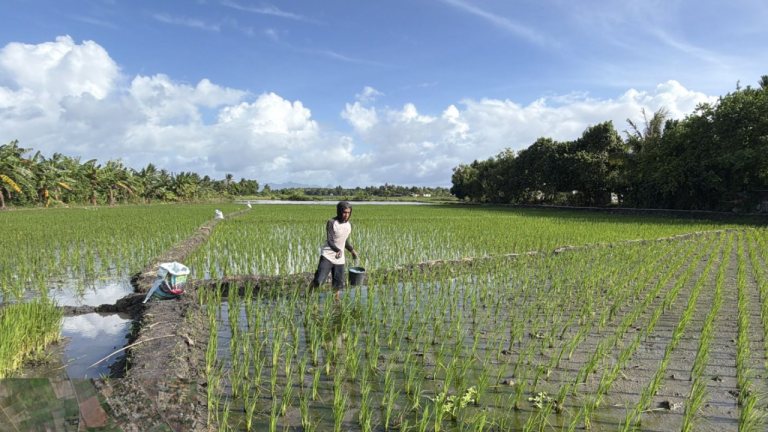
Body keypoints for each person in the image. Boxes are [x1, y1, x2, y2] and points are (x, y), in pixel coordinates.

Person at [311, 201, 359, 289]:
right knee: (319, 281)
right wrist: (337, 250)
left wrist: (352, 250)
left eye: (348, 213)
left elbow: (344, 240)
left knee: (338, 285)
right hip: (327, 255)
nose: (346, 215)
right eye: (344, 212)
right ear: (339, 211)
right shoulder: (332, 222)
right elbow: (330, 240)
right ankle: (307, 294)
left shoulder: (349, 225)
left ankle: (335, 298)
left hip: (339, 257)